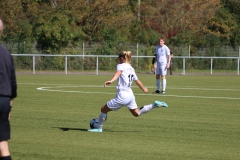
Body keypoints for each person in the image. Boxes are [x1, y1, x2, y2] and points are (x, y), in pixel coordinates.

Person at [88, 51, 168, 132]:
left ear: (122, 58)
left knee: (103, 109)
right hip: (130, 95)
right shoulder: (131, 68)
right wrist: (144, 88)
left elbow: (118, 73)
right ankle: (154, 105)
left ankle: (99, 128)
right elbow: (138, 81)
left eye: (119, 58)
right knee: (137, 113)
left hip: (122, 95)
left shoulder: (121, 66)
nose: (118, 60)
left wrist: (111, 81)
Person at [0, 18, 17, 160]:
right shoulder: (7, 54)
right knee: (3, 144)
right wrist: (9, 107)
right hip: (4, 101)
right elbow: (13, 82)